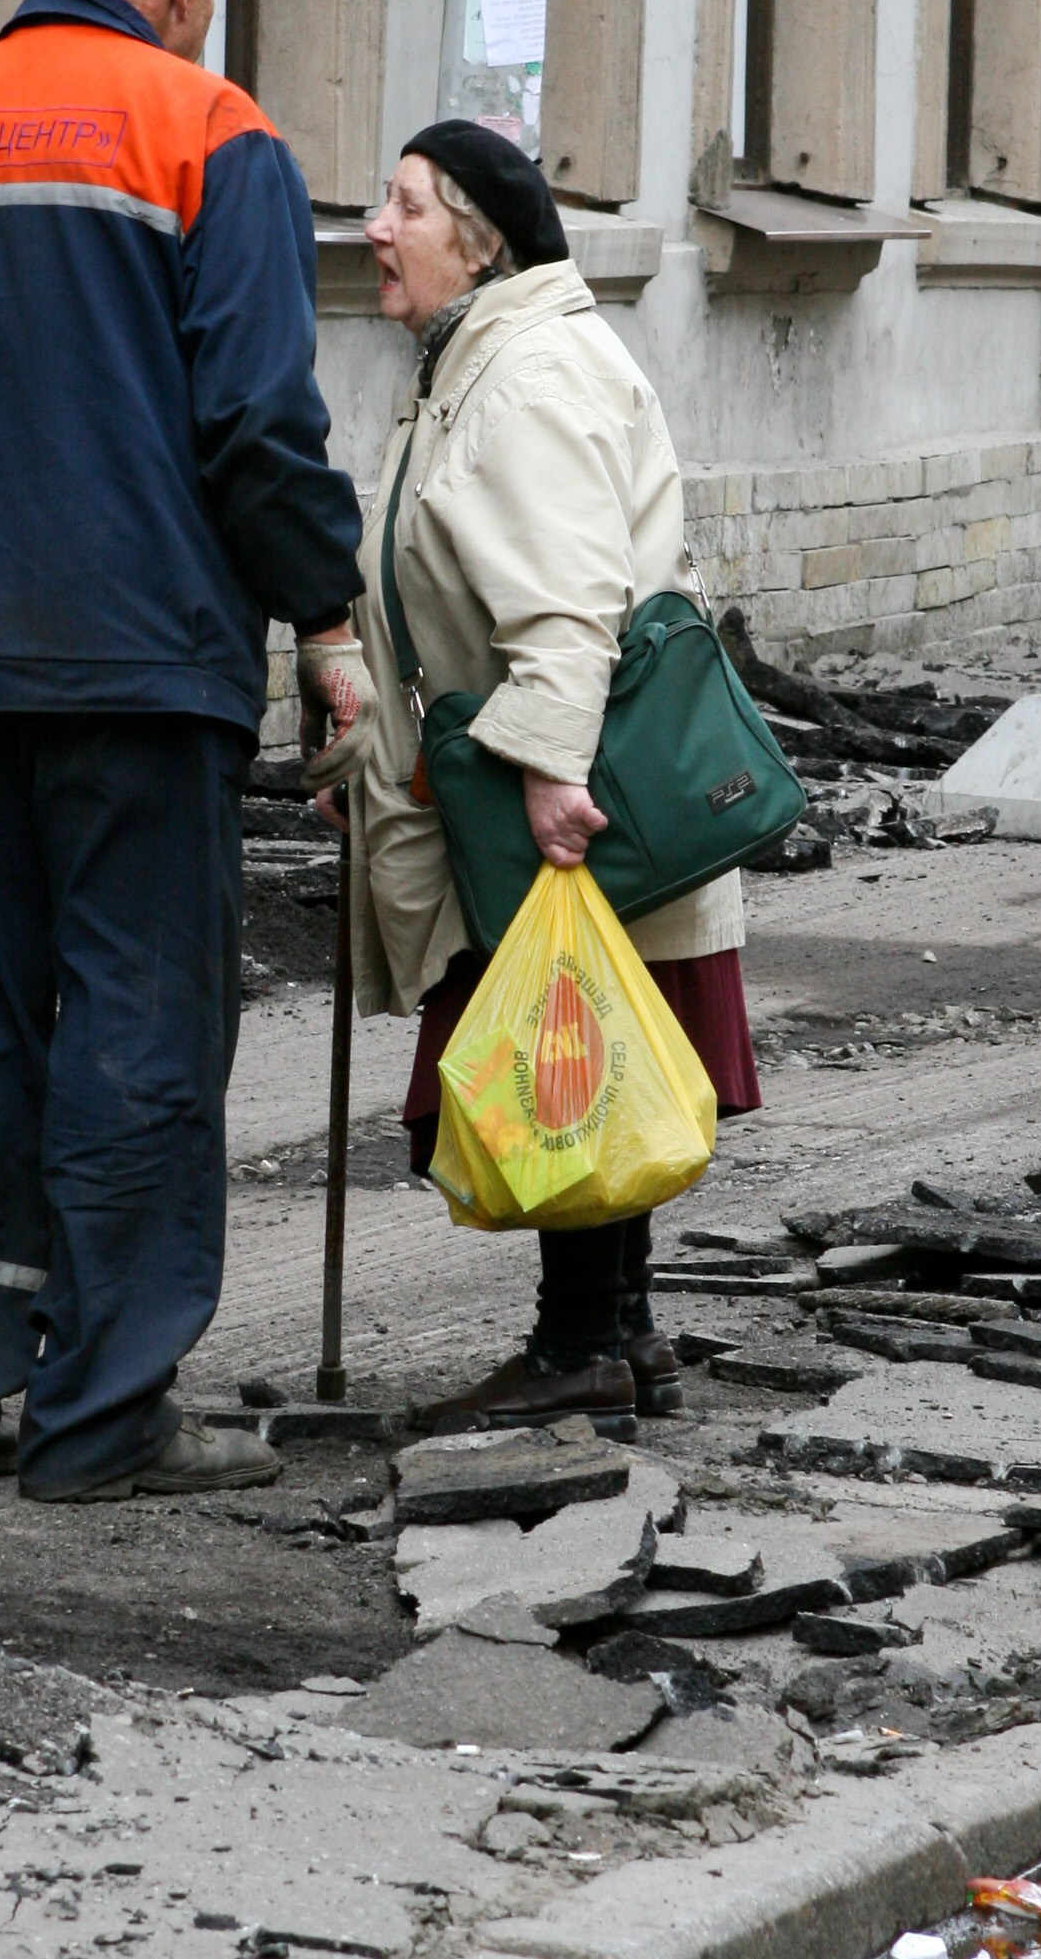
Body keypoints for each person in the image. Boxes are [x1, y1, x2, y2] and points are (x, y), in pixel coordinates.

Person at [0, 0, 371, 1502]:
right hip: (136, 666)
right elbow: (257, 419)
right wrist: (322, 620)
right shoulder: (204, 128)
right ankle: (102, 1419)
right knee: (137, 1012)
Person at [322, 122, 760, 1435]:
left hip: (556, 780)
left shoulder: (519, 376)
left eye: (400, 204)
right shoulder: (484, 356)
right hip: (544, 764)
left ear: (482, 240)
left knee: (568, 1037)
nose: (372, 229)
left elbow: (567, 606)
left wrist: (547, 777)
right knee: (602, 1031)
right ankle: (622, 1331)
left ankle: (575, 1345)